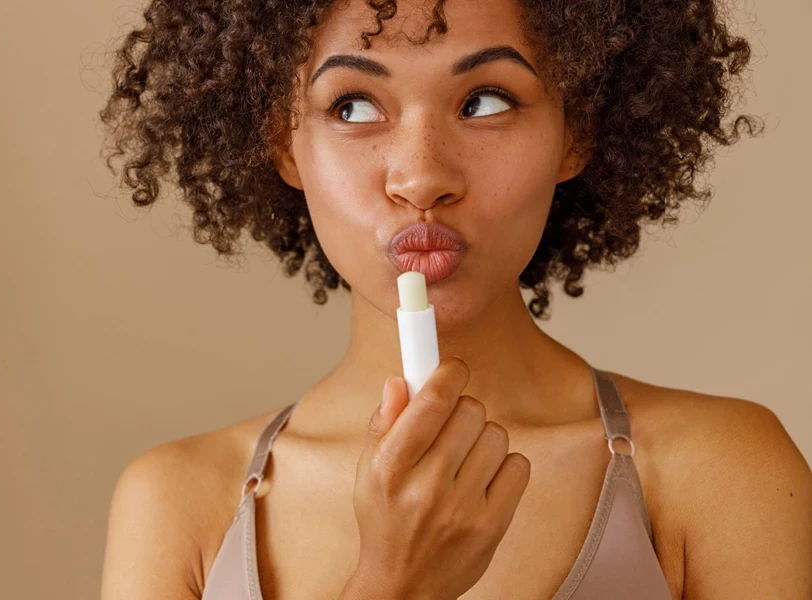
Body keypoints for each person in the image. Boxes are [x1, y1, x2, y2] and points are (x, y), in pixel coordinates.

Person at [97, 0, 812, 598]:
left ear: (578, 132)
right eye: (352, 107)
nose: (421, 176)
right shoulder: (181, 504)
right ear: (283, 146)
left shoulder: (723, 473)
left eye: (486, 101)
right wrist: (392, 579)